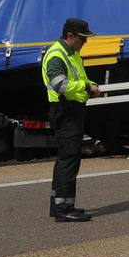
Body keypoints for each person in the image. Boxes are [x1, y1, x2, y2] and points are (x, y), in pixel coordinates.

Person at [43, 17, 100, 222]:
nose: (85, 42)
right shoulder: (57, 55)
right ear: (70, 36)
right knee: (68, 159)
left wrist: (90, 84)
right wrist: (86, 88)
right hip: (64, 111)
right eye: (82, 38)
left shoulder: (72, 54)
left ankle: (62, 204)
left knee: (69, 158)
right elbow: (60, 84)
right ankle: (63, 209)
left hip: (71, 110)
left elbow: (78, 79)